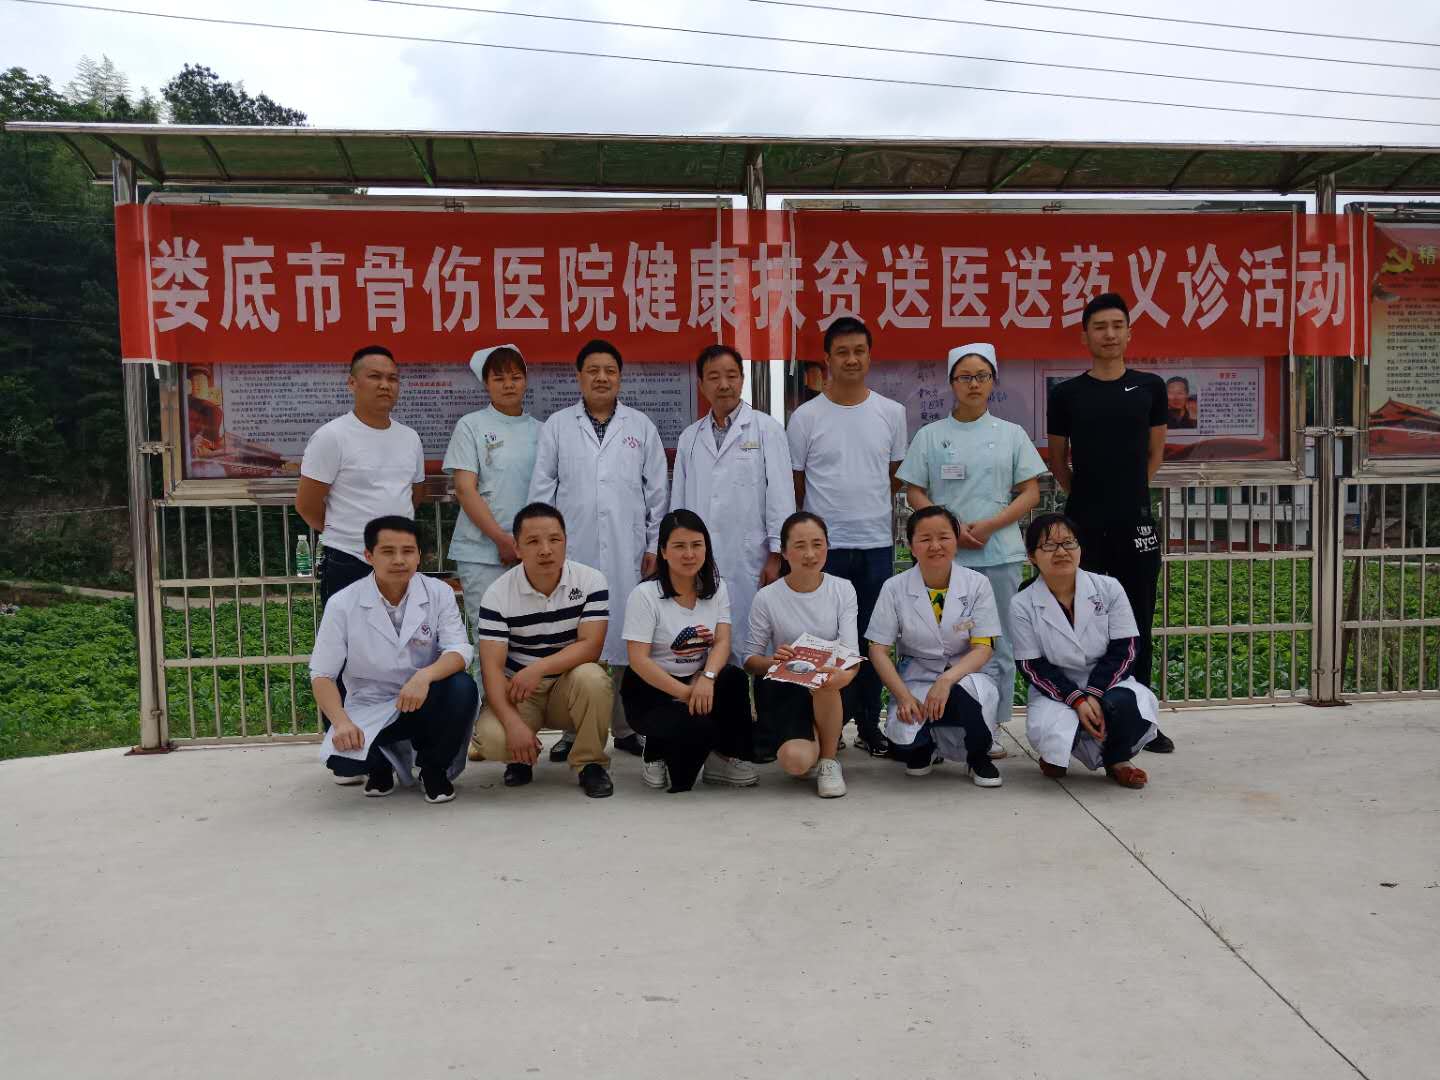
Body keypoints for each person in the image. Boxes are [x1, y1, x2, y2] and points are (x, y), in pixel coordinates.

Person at [898, 341, 1046, 756]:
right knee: (936, 644)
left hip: (998, 553)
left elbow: (1031, 492)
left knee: (994, 643)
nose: (974, 384)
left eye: (982, 376)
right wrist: (951, 528)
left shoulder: (1010, 434)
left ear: (993, 381)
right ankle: (934, 727)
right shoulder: (931, 436)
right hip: (942, 556)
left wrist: (992, 524)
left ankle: (991, 726)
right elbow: (914, 491)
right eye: (965, 377)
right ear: (952, 383)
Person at [1047, 293, 1175, 754]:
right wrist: (1087, 497)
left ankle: (1143, 720)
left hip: (1135, 523)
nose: (1109, 334)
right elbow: (1058, 461)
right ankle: (1086, 715)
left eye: (1117, 325)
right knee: (1082, 620)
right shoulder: (1066, 394)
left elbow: (1155, 454)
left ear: (1129, 332)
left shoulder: (1150, 387)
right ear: (1085, 336)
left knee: (1138, 620)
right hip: (1084, 524)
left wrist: (1128, 494)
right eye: (1100, 327)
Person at [529, 338, 667, 760]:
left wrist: (653, 544)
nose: (602, 377)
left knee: (628, 637)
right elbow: (542, 488)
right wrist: (544, 545)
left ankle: (625, 727)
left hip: (629, 551)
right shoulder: (557, 425)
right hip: (573, 552)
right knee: (573, 637)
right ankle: (574, 731)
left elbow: (658, 493)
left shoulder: (640, 426)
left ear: (620, 377)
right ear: (579, 377)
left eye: (610, 370)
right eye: (593, 370)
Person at [787, 316, 908, 757]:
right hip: (824, 549)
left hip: (875, 543)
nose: (851, 359)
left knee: (872, 639)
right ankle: (826, 728)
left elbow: (894, 476)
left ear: (870, 356)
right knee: (824, 639)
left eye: (859, 351)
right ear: (827, 359)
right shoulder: (806, 417)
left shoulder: (891, 413)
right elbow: (796, 483)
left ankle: (869, 725)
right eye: (842, 352)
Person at [312, 515, 478, 804]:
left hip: (424, 699)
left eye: (408, 551)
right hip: (370, 704)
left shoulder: (438, 592)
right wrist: (341, 723)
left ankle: (433, 769)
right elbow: (322, 674)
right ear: (369, 556)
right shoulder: (343, 603)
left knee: (462, 688)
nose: (399, 560)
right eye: (388, 551)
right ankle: (379, 767)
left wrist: (423, 677)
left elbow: (460, 650)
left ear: (419, 556)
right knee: (344, 761)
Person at [468, 502, 616, 799]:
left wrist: (538, 668)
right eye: (533, 541)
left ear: (566, 542)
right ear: (517, 548)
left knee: (593, 677)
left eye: (554, 539)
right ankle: (520, 758)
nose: (546, 550)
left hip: (568, 686)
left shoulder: (590, 581)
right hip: (520, 693)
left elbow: (591, 646)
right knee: (494, 739)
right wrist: (513, 725)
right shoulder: (497, 594)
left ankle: (589, 763)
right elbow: (491, 669)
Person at [1010, 513, 1159, 788]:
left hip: (1108, 682)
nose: (1061, 552)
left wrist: (1094, 692)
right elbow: (1031, 665)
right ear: (1032, 556)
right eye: (1049, 545)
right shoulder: (1022, 603)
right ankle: (1057, 754)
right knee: (1053, 732)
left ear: (1080, 548)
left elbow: (1125, 647)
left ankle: (1118, 759)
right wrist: (1077, 699)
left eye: (1069, 543)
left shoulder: (1109, 588)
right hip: (1056, 689)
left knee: (1126, 705)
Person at [671, 344, 794, 673]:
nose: (723, 384)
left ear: (742, 380)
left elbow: (781, 494)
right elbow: (678, 504)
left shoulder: (766, 429)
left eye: (731, 376)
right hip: (700, 559)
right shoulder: (690, 438)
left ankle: (757, 704)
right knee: (703, 643)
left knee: (756, 644)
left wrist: (776, 554)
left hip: (751, 558)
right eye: (714, 377)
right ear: (701, 384)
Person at [865, 506, 1003, 787]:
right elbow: (877, 650)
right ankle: (924, 747)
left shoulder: (977, 584)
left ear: (956, 540)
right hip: (917, 674)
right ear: (911, 545)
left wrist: (946, 680)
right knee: (905, 739)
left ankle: (977, 757)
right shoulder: (894, 587)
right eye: (925, 539)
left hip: (965, 672)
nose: (935, 546)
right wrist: (903, 696)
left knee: (969, 698)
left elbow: (984, 647)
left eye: (944, 537)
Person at [621, 510, 756, 793]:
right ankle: (654, 754)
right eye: (679, 546)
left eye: (696, 545)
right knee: (682, 778)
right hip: (652, 689)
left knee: (733, 679)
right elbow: (638, 660)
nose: (689, 554)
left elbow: (722, 641)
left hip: (697, 680)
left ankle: (722, 758)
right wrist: (685, 694)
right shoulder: (645, 595)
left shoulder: (717, 588)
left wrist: (707, 677)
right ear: (663, 551)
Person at [297, 345, 425, 606]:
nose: (385, 385)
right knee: (348, 632)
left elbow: (416, 494)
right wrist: (347, 533)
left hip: (401, 561)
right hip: (349, 559)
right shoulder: (331, 436)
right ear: (352, 383)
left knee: (404, 630)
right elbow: (307, 504)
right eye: (375, 377)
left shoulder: (410, 437)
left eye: (392, 378)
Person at [743, 512, 858, 799]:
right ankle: (818, 739)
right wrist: (774, 661)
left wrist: (843, 676)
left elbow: (850, 654)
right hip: (787, 689)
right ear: (784, 552)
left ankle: (829, 760)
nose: (810, 554)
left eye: (817, 544)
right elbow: (750, 659)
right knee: (795, 762)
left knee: (825, 680)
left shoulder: (842, 589)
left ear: (828, 546)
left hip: (832, 688)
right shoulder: (767, 597)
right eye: (800, 546)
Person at [443, 345, 540, 652]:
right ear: (486, 383)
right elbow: (465, 489)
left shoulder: (543, 431)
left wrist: (527, 544)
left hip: (533, 551)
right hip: (482, 552)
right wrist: (501, 539)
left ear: (525, 381)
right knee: (488, 634)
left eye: (515, 377)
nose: (508, 384)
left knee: (532, 635)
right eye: (499, 378)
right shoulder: (471, 426)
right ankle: (486, 687)